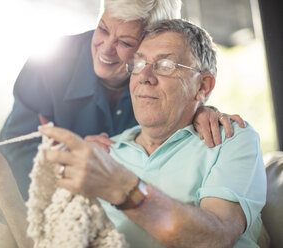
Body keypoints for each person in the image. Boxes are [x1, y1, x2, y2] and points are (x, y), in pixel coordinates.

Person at [38, 20, 267, 247]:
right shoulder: (104, 152)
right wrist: (1, 179)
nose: (144, 76)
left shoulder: (230, 138)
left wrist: (124, 189)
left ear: (202, 87)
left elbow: (217, 238)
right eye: (138, 63)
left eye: (166, 65)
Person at [0, 0, 245, 200]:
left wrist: (197, 110)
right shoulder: (48, 65)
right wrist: (70, 161)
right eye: (103, 29)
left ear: (153, 41)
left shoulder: (158, 83)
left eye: (125, 42)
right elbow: (11, 151)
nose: (105, 49)